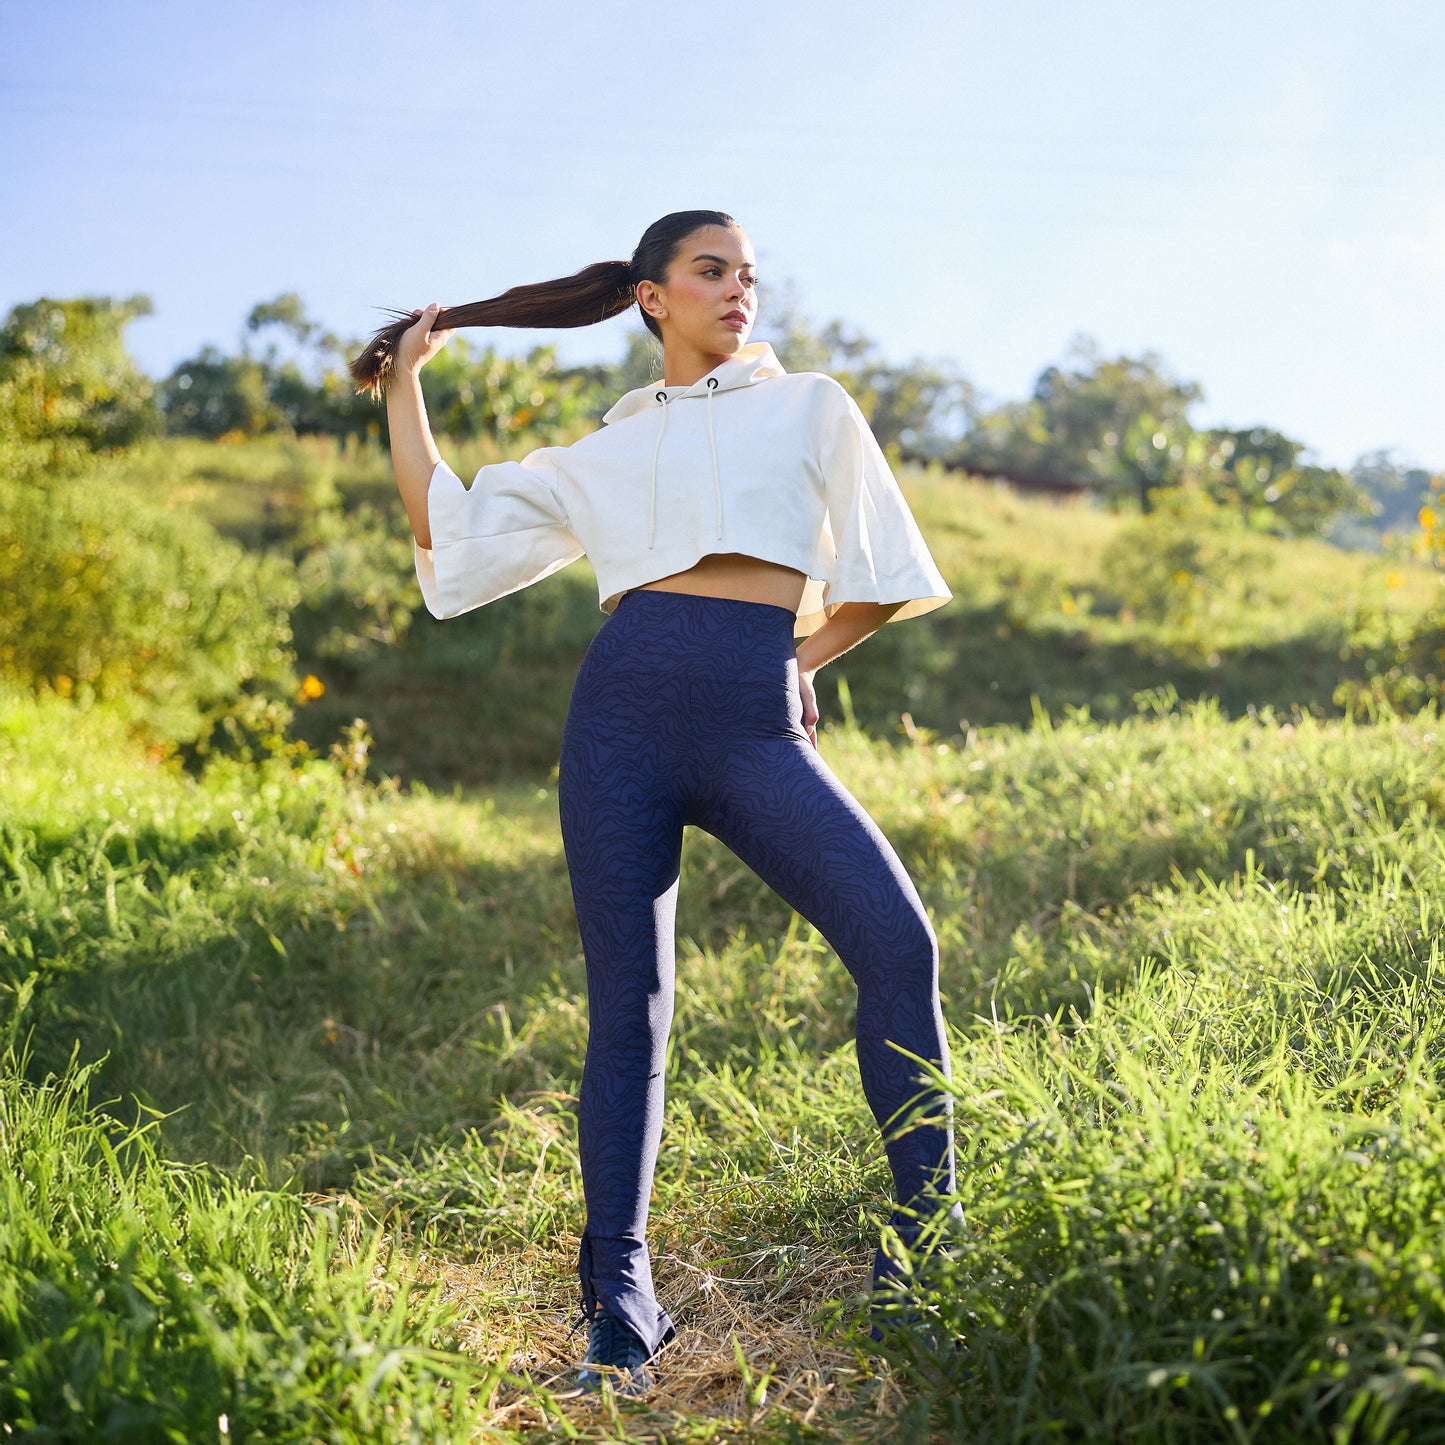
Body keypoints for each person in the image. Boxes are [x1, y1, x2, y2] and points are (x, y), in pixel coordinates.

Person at [362, 210, 962, 1395]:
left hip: (750, 718)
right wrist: (403, 387)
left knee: (899, 944)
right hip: (619, 721)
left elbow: (884, 578)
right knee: (627, 1008)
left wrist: (796, 662)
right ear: (651, 296)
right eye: (712, 271)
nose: (739, 290)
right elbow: (450, 539)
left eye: (748, 274)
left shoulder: (812, 405)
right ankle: (621, 1306)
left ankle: (922, 1255)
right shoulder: (602, 448)